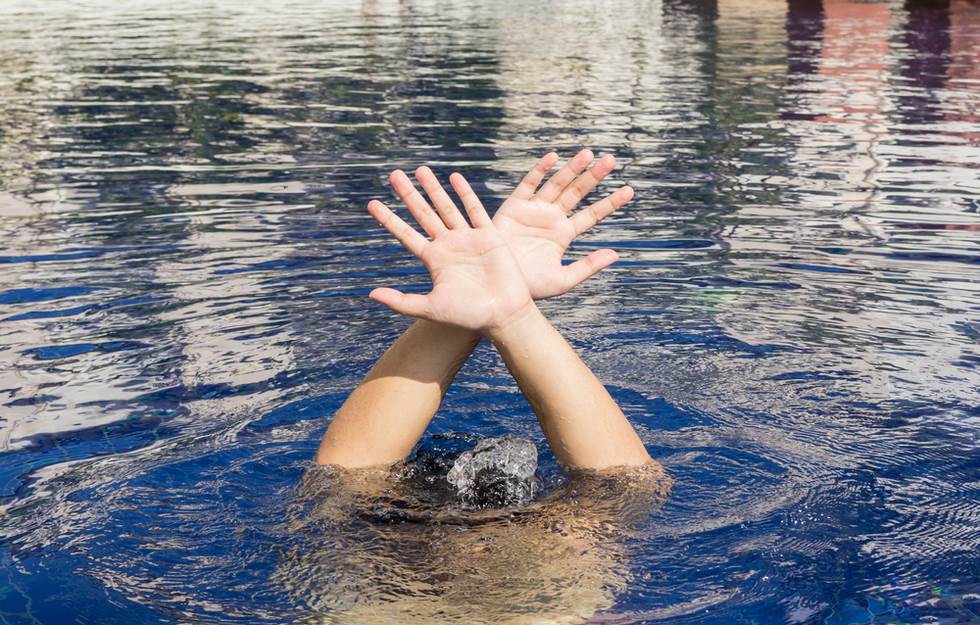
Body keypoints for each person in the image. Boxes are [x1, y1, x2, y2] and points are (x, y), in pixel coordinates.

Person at [315, 149, 661, 474]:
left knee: (340, 497)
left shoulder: (364, 534)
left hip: (396, 526)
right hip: (552, 530)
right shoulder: (581, 531)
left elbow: (342, 475)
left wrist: (503, 309)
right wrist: (511, 314)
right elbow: (626, 484)